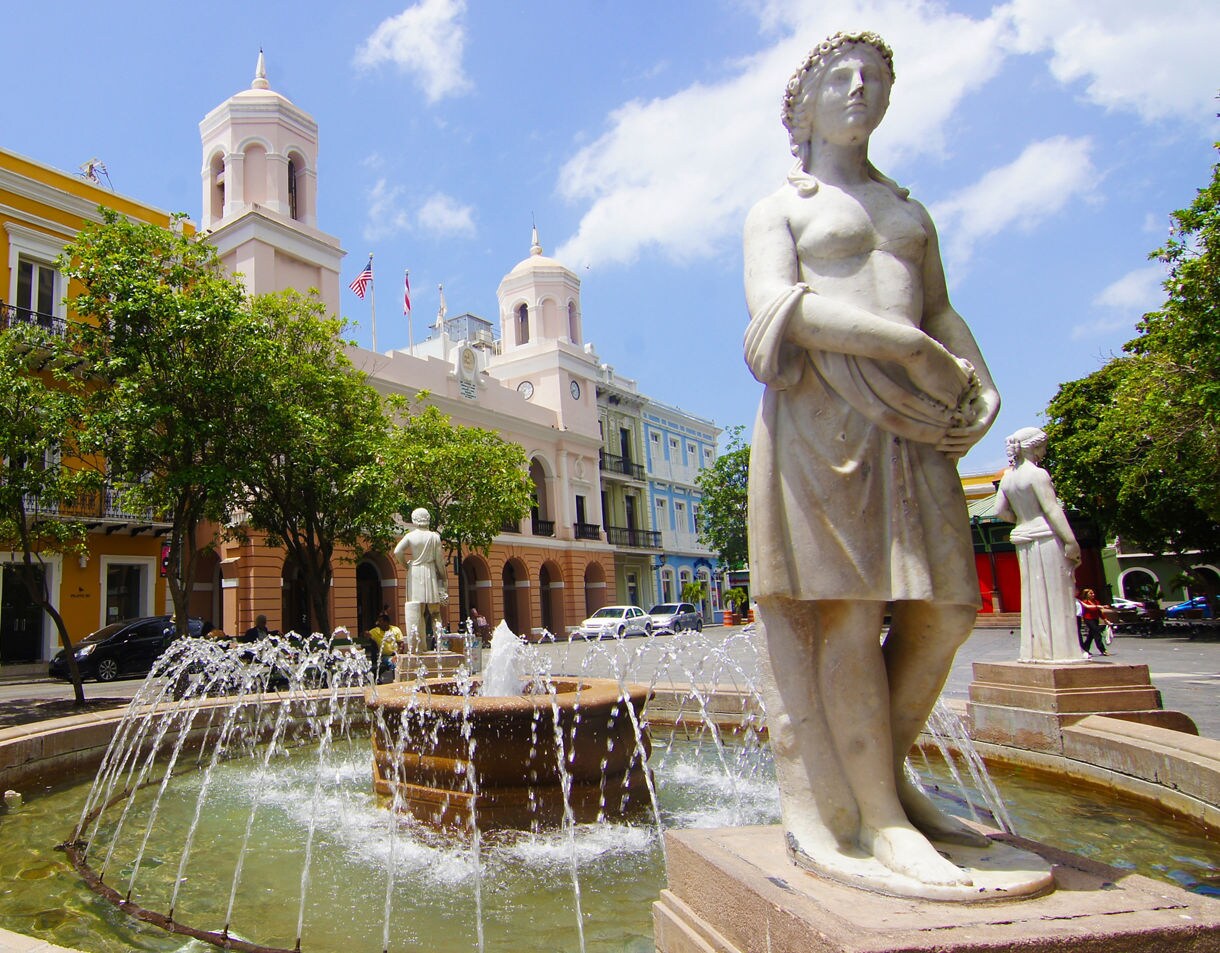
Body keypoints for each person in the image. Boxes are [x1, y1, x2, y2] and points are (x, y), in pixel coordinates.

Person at [744, 31, 999, 890]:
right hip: (829, 417)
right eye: (841, 78)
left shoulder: (908, 210)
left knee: (949, 608)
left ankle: (880, 774)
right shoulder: (779, 207)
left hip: (917, 423)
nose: (862, 90)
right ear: (803, 105)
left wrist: (976, 374)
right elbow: (776, 309)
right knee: (849, 613)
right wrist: (909, 349)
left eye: (876, 80)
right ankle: (879, 820)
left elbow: (944, 308)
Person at [994, 428, 1088, 663]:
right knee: (1057, 594)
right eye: (1042, 447)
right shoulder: (1037, 475)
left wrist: (1022, 520)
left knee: (1034, 597)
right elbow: (1052, 509)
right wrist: (1070, 541)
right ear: (1032, 447)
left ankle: (1035, 651)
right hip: (1046, 537)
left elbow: (1000, 512)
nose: (1044, 452)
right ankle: (1064, 652)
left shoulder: (1008, 478)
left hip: (1023, 537)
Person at [393, 507, 448, 654]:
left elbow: (397, 551)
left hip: (415, 572)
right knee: (435, 612)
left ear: (414, 520)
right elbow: (439, 561)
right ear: (428, 519)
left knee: (418, 611)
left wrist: (407, 566)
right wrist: (443, 576)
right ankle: (440, 645)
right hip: (429, 571)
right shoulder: (434, 537)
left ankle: (419, 647)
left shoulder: (410, 536)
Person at [1078, 588, 1107, 655]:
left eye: (1093, 593)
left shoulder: (1096, 601)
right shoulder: (1084, 602)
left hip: (1095, 619)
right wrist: (1098, 606)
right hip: (1088, 619)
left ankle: (1085, 648)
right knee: (1096, 632)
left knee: (1091, 634)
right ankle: (1102, 649)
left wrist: (1105, 619)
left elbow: (1099, 612)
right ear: (1086, 594)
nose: (1093, 594)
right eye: (1091, 593)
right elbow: (1089, 607)